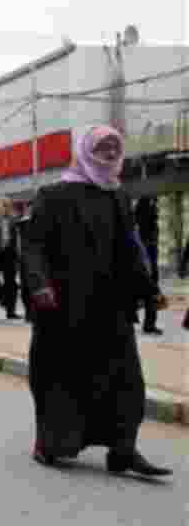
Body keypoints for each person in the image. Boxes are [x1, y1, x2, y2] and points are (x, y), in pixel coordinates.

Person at [23, 125, 171, 478]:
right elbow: (33, 246)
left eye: (113, 147)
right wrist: (39, 284)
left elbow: (129, 250)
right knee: (62, 376)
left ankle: (123, 450)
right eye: (101, 147)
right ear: (86, 151)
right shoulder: (53, 194)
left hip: (110, 305)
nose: (108, 153)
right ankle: (52, 443)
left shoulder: (118, 196)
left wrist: (149, 290)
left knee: (125, 379)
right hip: (64, 305)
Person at [133, 196, 163, 335]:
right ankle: (149, 324)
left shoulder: (140, 225)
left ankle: (149, 324)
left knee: (149, 292)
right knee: (150, 291)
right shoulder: (145, 226)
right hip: (145, 260)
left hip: (146, 260)